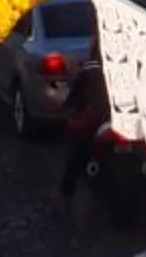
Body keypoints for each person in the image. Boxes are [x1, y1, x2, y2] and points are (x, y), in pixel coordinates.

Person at [55, 62, 109, 214]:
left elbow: (70, 102)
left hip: (104, 120)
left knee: (76, 154)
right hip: (112, 119)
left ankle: (65, 196)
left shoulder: (89, 71)